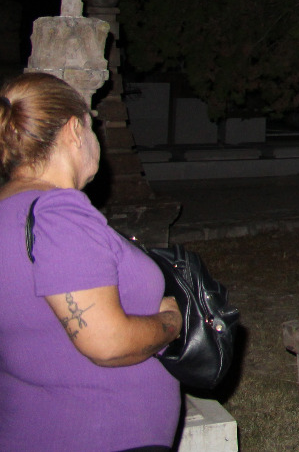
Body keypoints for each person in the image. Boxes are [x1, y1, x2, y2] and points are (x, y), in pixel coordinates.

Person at [0, 72, 184, 452]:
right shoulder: (58, 213)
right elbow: (106, 343)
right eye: (92, 125)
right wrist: (171, 322)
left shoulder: (8, 210)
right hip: (98, 432)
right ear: (73, 130)